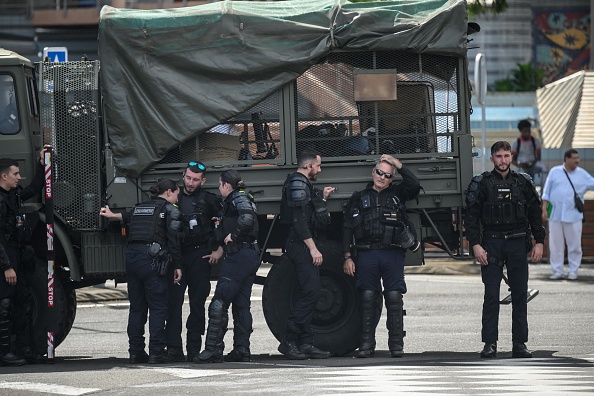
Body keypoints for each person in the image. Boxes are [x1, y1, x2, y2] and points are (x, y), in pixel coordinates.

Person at [464, 141, 544, 359]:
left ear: (512, 157)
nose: (503, 160)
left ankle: (519, 344)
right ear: (492, 159)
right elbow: (470, 218)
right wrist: (476, 245)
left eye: (506, 156)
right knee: (491, 296)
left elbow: (535, 214)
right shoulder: (482, 184)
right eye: (498, 156)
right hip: (491, 244)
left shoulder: (523, 183)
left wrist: (539, 241)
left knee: (519, 295)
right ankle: (490, 344)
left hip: (518, 243)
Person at [342, 155, 421, 358]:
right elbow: (347, 228)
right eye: (379, 172)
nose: (382, 177)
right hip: (367, 253)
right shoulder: (359, 197)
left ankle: (396, 344)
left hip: (392, 253)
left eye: (387, 175)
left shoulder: (397, 194)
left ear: (391, 179)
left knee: (394, 297)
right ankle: (367, 345)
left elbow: (414, 184)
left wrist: (397, 164)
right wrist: (347, 256)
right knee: (368, 298)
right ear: (373, 172)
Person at [100, 179, 183, 364]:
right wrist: (178, 265)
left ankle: (136, 352)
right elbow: (175, 240)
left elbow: (125, 216)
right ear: (169, 192)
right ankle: (156, 352)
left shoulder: (140, 207)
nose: (178, 198)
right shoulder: (169, 210)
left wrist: (111, 215)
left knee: (137, 309)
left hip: (131, 259)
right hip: (151, 261)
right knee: (158, 307)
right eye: (177, 194)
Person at [194, 169, 260, 363]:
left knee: (219, 303)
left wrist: (235, 236)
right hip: (247, 254)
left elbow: (246, 218)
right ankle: (241, 350)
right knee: (241, 305)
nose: (219, 188)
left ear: (226, 185)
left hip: (239, 256)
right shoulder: (239, 198)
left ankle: (213, 351)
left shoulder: (237, 198)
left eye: (220, 185)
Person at [277, 149, 335, 360]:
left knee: (309, 292)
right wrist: (312, 248)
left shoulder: (302, 185)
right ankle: (290, 341)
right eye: (318, 165)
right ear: (308, 166)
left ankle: (306, 342)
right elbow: (299, 221)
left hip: (301, 244)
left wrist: (321, 197)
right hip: (300, 245)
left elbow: (307, 209)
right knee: (311, 292)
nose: (320, 169)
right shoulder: (297, 183)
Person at [165, 161, 223, 362]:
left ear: (203, 181)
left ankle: (193, 349)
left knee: (197, 304)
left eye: (196, 180)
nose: (191, 183)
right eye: (188, 178)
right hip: (177, 257)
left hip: (200, 255)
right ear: (183, 176)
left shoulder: (209, 200)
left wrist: (219, 249)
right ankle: (173, 348)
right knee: (173, 304)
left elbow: (225, 222)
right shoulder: (172, 196)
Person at [0, 146, 51, 366]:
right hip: (6, 256)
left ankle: (25, 349)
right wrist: (6, 266)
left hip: (18, 254)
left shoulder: (14, 195)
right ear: (3, 176)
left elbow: (35, 187)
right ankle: (4, 353)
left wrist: (43, 163)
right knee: (5, 304)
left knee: (24, 302)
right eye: (15, 174)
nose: (19, 177)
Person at [541, 149, 594, 280]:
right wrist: (544, 209)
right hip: (555, 214)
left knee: (574, 245)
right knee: (555, 245)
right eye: (574, 158)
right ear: (566, 159)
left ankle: (573, 271)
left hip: (574, 214)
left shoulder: (582, 174)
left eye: (578, 158)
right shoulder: (555, 172)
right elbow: (546, 193)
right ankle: (557, 271)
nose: (577, 161)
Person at [511, 119, 547, 185]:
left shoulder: (535, 141)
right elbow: (512, 160)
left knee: (543, 167)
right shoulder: (516, 143)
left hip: (533, 163)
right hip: (521, 165)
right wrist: (519, 164)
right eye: (525, 131)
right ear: (521, 131)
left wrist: (532, 162)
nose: (527, 133)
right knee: (515, 175)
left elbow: (538, 157)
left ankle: (543, 192)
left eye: (528, 131)